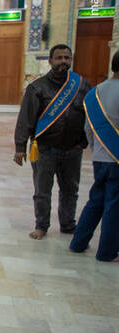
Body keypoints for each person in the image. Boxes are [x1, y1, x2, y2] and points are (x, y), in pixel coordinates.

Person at [14, 44, 91, 240]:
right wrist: (20, 147)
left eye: (67, 57)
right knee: (42, 190)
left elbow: (90, 115)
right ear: (50, 61)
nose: (63, 61)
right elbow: (26, 119)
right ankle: (41, 226)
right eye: (59, 58)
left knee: (70, 189)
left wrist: (83, 142)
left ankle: (67, 224)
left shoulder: (81, 85)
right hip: (45, 149)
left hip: (72, 149)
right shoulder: (37, 87)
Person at [69, 51, 119, 261]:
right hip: (117, 158)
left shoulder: (95, 92)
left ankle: (78, 243)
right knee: (114, 205)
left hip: (100, 155)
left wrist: (97, 147)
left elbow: (88, 128)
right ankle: (107, 253)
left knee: (96, 200)